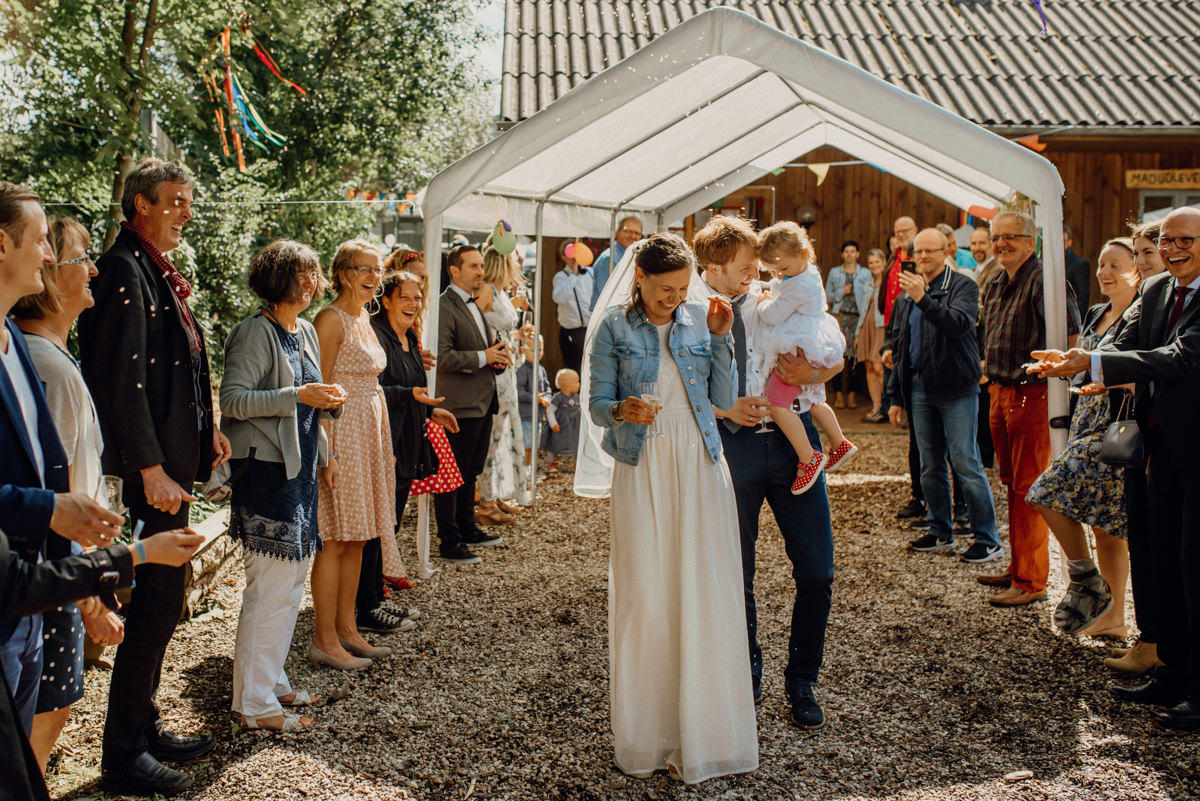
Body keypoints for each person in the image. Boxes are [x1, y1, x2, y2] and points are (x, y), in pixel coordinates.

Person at [75, 159, 231, 796]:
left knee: (165, 605)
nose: (185, 212)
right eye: (174, 202)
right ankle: (123, 753)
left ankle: (144, 724)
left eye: (189, 202)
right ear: (139, 205)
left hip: (171, 463)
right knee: (154, 608)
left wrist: (207, 431)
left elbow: (182, 369)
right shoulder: (122, 271)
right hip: (153, 476)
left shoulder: (152, 269)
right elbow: (121, 381)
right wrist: (149, 467)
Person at [587, 232, 756, 783]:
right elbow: (595, 406)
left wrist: (723, 339)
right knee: (647, 596)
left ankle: (702, 735)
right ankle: (650, 736)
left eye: (682, 288)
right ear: (640, 279)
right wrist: (622, 409)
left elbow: (725, 401)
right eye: (665, 289)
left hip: (700, 461)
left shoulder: (699, 318)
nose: (674, 299)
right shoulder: (614, 326)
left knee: (703, 591)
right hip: (642, 462)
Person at [1031, 206, 1200, 730]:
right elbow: (1124, 349)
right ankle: (1171, 671)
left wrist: (1097, 364)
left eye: (1183, 240)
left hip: (1195, 450)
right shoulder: (1155, 292)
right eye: (1165, 241)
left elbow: (1182, 358)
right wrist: (1077, 360)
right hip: (1149, 451)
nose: (1172, 249)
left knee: (1194, 567)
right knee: (1157, 560)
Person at [696, 214, 843, 729]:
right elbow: (679, 385)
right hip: (732, 450)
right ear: (713, 268)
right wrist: (725, 410)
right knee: (738, 571)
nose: (755, 275)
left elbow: (831, 347)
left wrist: (817, 372)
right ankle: (747, 670)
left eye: (757, 266)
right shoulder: (693, 312)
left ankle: (802, 678)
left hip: (792, 443)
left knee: (818, 570)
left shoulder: (779, 297)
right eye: (744, 267)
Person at [11, 216, 126, 772]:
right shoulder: (48, 367)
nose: (94, 269)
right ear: (52, 275)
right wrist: (88, 596)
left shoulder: (46, 356)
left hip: (61, 568)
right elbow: (50, 490)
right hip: (52, 572)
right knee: (40, 720)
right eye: (82, 257)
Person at [219, 240, 347, 729]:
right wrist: (298, 394)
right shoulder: (254, 333)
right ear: (278, 280)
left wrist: (327, 416)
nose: (313, 283)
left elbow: (309, 402)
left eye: (316, 274)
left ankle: (270, 682)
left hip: (300, 475)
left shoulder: (308, 330)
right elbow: (232, 400)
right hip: (266, 475)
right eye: (304, 275)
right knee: (269, 589)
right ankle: (252, 706)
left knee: (291, 585)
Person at [0, 526, 204, 801]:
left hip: (59, 574)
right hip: (28, 592)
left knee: (53, 707)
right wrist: (136, 554)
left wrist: (92, 589)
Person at [1026, 238, 1139, 637]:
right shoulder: (1095, 313)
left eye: (1115, 265)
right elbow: (1083, 365)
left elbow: (1134, 371)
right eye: (1102, 265)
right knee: (1103, 525)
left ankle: (1086, 580)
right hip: (1084, 421)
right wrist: (1061, 363)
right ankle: (1115, 617)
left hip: (1114, 428)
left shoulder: (1141, 316)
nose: (1105, 274)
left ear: (1136, 269)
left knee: (1044, 491)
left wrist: (1106, 379)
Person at [976, 210, 1080, 608]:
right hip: (1000, 392)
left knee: (1029, 487)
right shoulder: (999, 280)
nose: (1002, 243)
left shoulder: (1045, 280)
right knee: (1010, 482)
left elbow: (1071, 334)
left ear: (1031, 240)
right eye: (997, 236)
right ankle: (1018, 565)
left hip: (1032, 394)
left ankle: (1031, 581)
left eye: (1011, 237)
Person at [312, 239, 406, 671]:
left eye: (377, 270)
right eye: (364, 269)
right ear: (342, 272)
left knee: (358, 539)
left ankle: (349, 631)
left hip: (369, 432)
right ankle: (324, 638)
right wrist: (326, 452)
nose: (374, 277)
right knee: (334, 539)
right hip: (343, 433)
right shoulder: (330, 320)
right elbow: (320, 386)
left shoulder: (364, 318)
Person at [884, 228, 1001, 563]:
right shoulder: (908, 293)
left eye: (929, 251)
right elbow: (901, 344)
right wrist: (895, 396)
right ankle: (939, 530)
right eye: (917, 252)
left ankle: (987, 538)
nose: (922, 257)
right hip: (919, 386)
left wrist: (924, 298)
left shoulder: (962, 285)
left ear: (946, 251)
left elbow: (959, 325)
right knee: (928, 464)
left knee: (966, 462)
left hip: (955, 387)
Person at [359, 269, 458, 632]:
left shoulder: (411, 337)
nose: (414, 304)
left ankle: (376, 594)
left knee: (391, 524)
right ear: (385, 300)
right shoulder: (376, 336)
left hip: (410, 441)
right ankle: (366, 605)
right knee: (374, 528)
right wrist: (409, 396)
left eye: (418, 298)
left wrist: (433, 410)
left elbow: (414, 388)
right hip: (384, 441)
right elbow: (369, 391)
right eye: (406, 297)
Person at [754, 222, 857, 495]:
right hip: (812, 340)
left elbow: (773, 315)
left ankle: (808, 458)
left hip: (797, 343)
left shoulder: (797, 286)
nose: (778, 275)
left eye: (782, 269)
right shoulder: (804, 273)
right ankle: (839, 441)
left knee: (776, 404)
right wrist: (775, 283)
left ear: (804, 253)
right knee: (812, 399)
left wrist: (762, 302)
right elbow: (781, 284)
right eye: (773, 270)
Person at [435, 244, 508, 563]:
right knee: (452, 475)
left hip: (482, 400)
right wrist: (484, 357)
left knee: (470, 472)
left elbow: (480, 349)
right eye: (474, 266)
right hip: (458, 405)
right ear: (454, 270)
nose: (481, 271)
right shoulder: (443, 306)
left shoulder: (475, 303)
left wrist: (496, 359)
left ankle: (467, 527)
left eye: (481, 266)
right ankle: (449, 540)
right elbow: (442, 355)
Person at [476, 242, 529, 521]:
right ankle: (485, 503)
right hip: (493, 375)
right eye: (515, 262)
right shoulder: (485, 290)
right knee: (491, 439)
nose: (518, 268)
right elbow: (477, 327)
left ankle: (494, 495)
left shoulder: (498, 291)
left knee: (500, 436)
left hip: (506, 371)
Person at [883, 215, 926, 522]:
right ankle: (919, 498)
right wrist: (887, 349)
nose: (918, 261)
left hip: (943, 383)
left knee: (955, 453)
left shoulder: (954, 289)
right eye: (915, 256)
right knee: (917, 445)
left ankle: (959, 506)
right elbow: (894, 335)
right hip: (911, 381)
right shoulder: (902, 300)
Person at [824, 240, 871, 409]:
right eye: (846, 251)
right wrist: (840, 292)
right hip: (840, 318)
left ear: (858, 254)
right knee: (838, 356)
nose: (850, 254)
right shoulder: (835, 273)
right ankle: (838, 395)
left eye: (853, 251)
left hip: (858, 319)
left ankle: (851, 395)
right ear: (842, 254)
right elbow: (827, 296)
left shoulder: (865, 273)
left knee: (855, 359)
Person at [857, 248, 888, 422]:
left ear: (884, 262)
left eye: (877, 262)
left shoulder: (889, 282)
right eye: (871, 263)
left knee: (879, 367)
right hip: (866, 325)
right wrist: (857, 332)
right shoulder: (868, 283)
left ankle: (888, 406)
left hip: (881, 325)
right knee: (869, 367)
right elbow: (863, 308)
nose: (874, 265)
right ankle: (876, 406)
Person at [552, 240, 593, 371]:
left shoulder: (591, 273)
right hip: (571, 332)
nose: (574, 258)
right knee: (574, 370)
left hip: (589, 330)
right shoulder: (561, 277)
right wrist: (573, 276)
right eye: (570, 255)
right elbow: (559, 297)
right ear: (564, 257)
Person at [590, 215, 643, 310]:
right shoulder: (609, 258)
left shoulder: (630, 257)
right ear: (617, 233)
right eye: (628, 231)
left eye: (637, 233)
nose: (633, 236)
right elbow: (608, 295)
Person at [516, 331, 551, 467]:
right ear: (523, 350)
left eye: (540, 349)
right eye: (533, 350)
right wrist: (534, 398)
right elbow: (518, 391)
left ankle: (530, 469)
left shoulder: (541, 369)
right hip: (526, 415)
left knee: (535, 444)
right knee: (527, 445)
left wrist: (547, 397)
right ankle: (525, 470)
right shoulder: (522, 370)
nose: (538, 353)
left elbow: (547, 387)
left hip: (538, 415)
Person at [540, 368, 581, 469]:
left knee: (577, 442)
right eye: (576, 382)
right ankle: (551, 460)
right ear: (567, 386)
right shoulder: (558, 398)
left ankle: (577, 462)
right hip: (561, 424)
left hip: (574, 426)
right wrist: (553, 423)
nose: (579, 384)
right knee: (554, 442)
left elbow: (581, 408)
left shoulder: (577, 397)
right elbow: (550, 410)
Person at [1064, 223, 1093, 322]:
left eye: (1063, 241)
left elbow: (1082, 300)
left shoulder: (1080, 264)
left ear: (1069, 242)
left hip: (1070, 322)